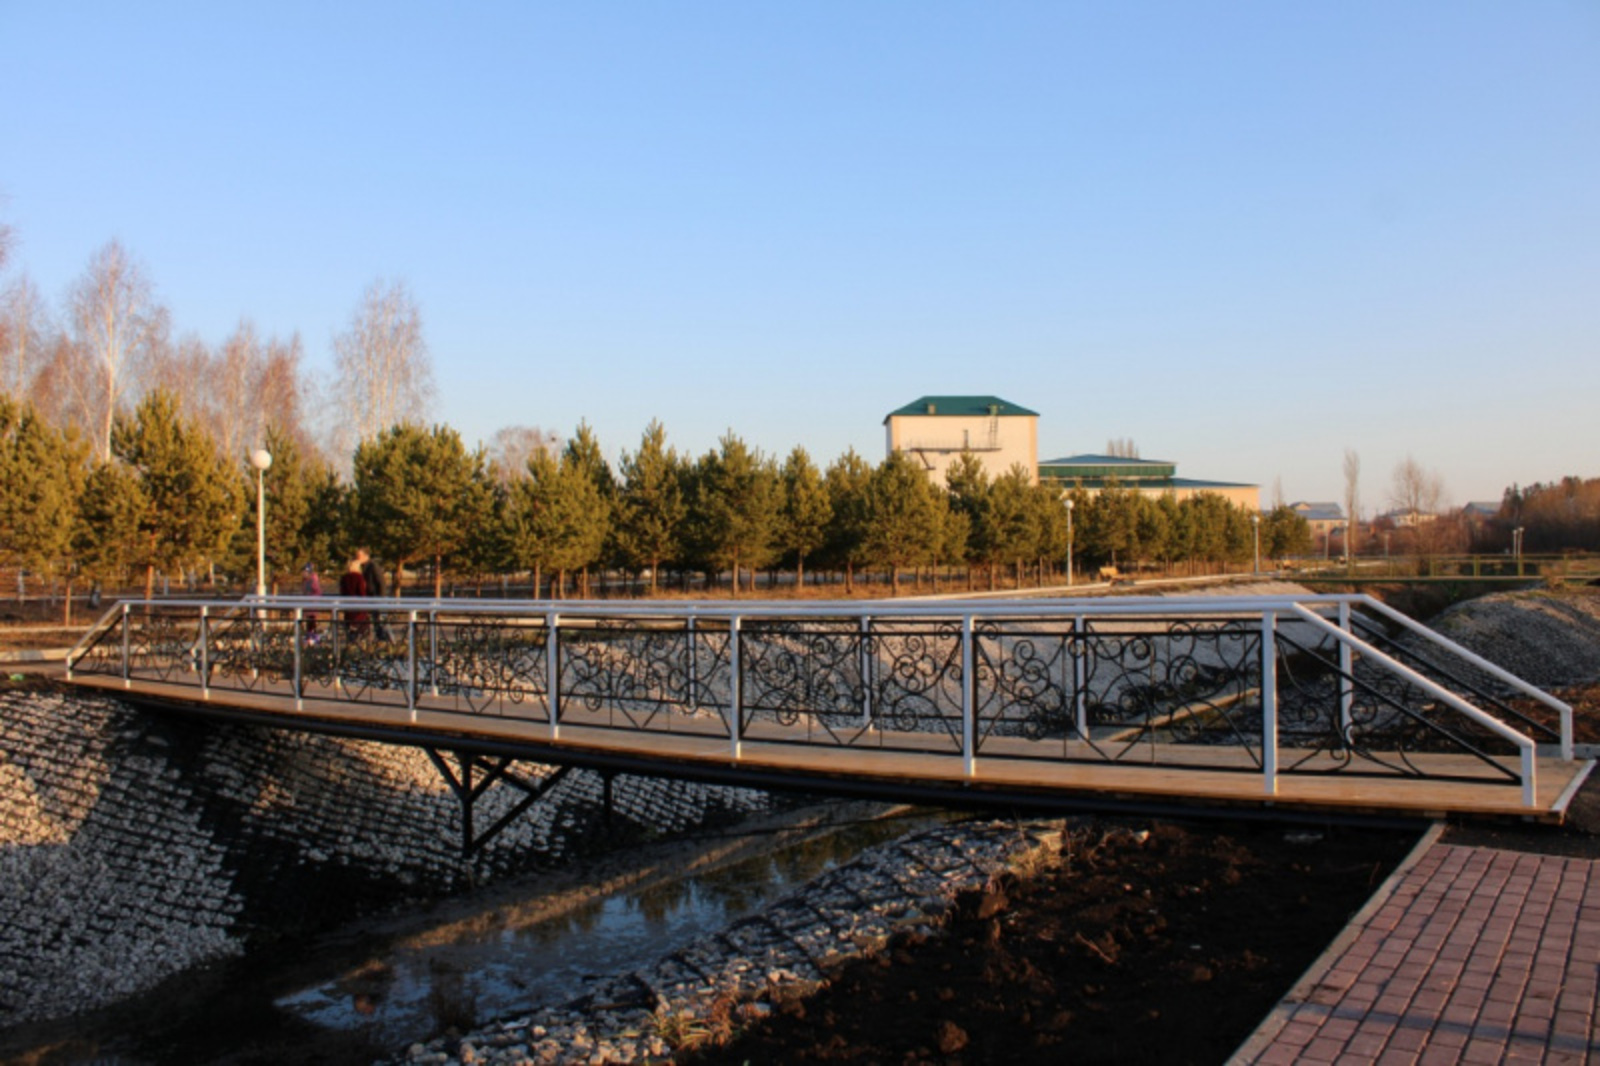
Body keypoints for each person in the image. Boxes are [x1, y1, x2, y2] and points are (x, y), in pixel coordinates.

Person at [356, 548, 390, 640]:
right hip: (368, 598)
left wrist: (381, 599)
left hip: (375, 597)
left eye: (359, 556)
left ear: (366, 556)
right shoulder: (361, 567)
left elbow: (381, 583)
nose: (357, 558)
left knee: (379, 622)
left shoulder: (373, 566)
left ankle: (384, 639)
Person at [339, 559, 369, 639]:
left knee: (349, 623)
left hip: (348, 606)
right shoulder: (359, 578)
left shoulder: (344, 578)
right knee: (364, 622)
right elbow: (362, 592)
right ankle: (361, 638)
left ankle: (351, 637)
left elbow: (342, 592)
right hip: (358, 606)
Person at [302, 563, 323, 639]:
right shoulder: (306, 581)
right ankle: (310, 636)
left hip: (312, 604)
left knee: (312, 621)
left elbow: (317, 591)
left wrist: (313, 600)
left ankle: (313, 637)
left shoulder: (312, 579)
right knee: (309, 622)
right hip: (308, 605)